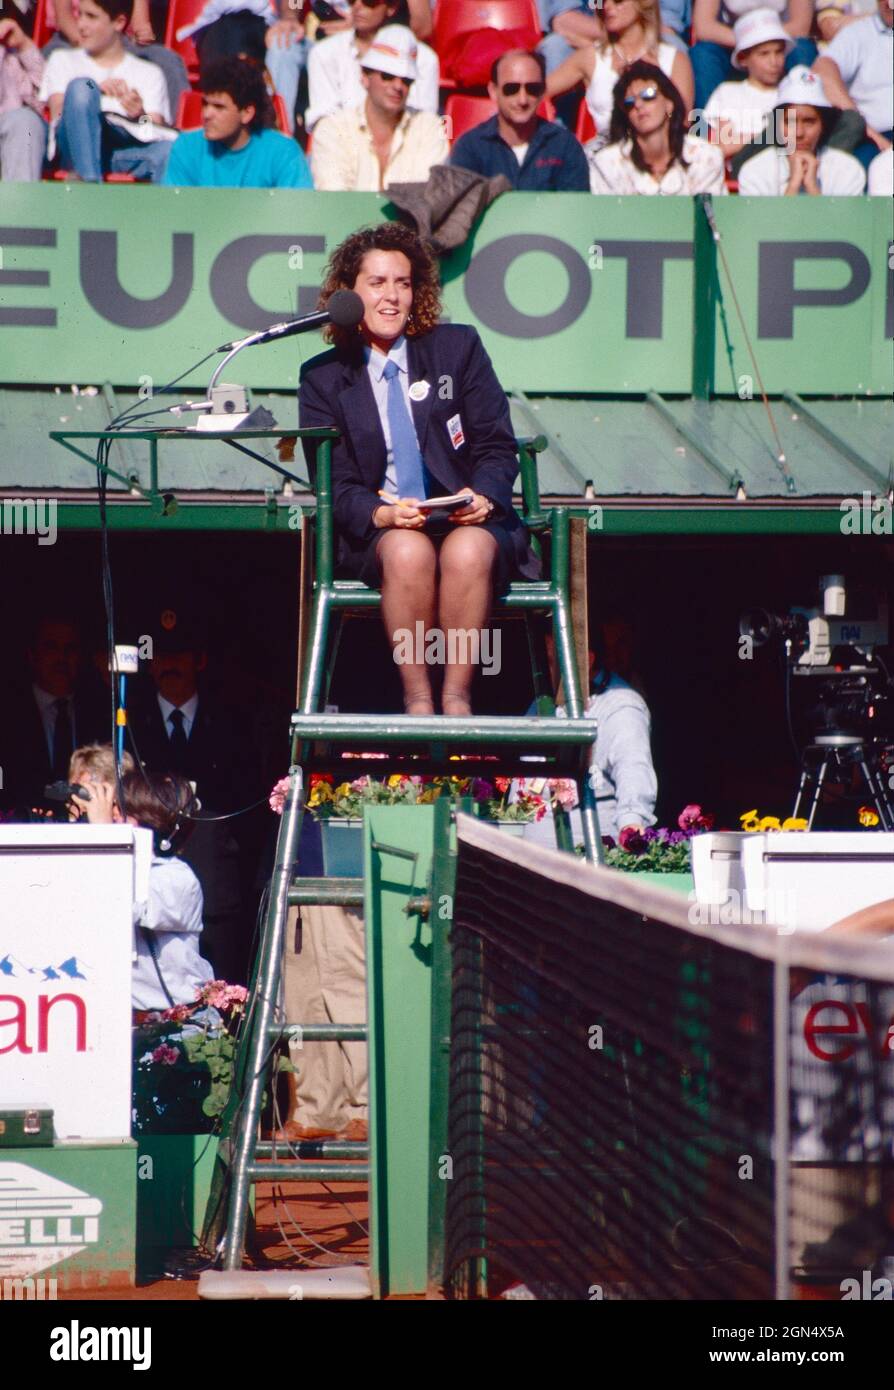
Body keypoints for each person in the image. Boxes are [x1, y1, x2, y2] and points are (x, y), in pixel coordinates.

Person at [299, 222, 541, 717]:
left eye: (403, 284)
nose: (391, 297)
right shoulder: (322, 377)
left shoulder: (458, 349)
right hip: (387, 530)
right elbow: (335, 484)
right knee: (409, 553)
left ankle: (456, 698)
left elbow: (497, 446)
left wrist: (485, 497)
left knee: (468, 549)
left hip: (467, 520)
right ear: (348, 294)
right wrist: (380, 515)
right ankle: (418, 700)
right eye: (377, 283)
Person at [72, 766, 215, 1012]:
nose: (113, 815)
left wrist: (104, 835)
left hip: (176, 1024)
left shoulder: (176, 877)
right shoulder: (111, 863)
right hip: (121, 1020)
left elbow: (122, 904)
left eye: (118, 810)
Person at [519, 629, 658, 848]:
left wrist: (631, 824)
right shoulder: (544, 701)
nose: (543, 670)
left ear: (586, 660)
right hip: (531, 858)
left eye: (550, 661)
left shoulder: (621, 706)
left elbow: (633, 769)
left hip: (586, 859)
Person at [37, 0, 176, 181]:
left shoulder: (149, 72)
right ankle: (90, 188)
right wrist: (94, 91)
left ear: (118, 22)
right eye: (80, 14)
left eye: (91, 17)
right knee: (82, 87)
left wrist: (139, 114)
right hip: (73, 150)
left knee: (169, 151)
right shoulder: (62, 60)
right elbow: (59, 116)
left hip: (119, 152)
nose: (81, 25)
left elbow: (154, 128)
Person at [309, 24, 446, 191]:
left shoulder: (429, 129)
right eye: (387, 76)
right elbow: (334, 201)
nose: (398, 86)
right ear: (364, 77)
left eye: (406, 80)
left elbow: (426, 202)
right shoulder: (333, 128)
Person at [546, 0, 694, 149]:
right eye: (603, 2)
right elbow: (536, 91)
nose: (608, 6)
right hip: (606, 153)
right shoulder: (590, 57)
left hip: (660, 150)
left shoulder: (674, 58)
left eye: (617, 1)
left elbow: (682, 120)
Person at [0, 613, 107, 819]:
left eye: (70, 649)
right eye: (51, 647)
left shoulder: (98, 712)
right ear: (32, 656)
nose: (61, 658)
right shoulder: (8, 715)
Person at [450, 48, 590, 191]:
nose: (522, 99)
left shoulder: (565, 146)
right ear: (493, 91)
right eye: (511, 89)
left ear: (543, 91)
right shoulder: (470, 147)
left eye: (532, 89)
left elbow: (574, 209)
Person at [162, 55, 313, 187]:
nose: (207, 114)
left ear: (247, 113)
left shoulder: (283, 152)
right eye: (205, 104)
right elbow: (174, 214)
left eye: (219, 107)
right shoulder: (186, 147)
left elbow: (297, 214)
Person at [588, 59, 728, 192]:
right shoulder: (607, 164)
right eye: (629, 102)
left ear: (669, 104)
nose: (638, 104)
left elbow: (708, 214)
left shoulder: (705, 157)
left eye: (648, 95)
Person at [304, 0, 437, 131]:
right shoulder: (323, 53)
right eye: (351, 1)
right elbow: (323, 121)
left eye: (369, 1)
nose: (357, 6)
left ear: (391, 7)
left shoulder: (424, 59)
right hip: (343, 145)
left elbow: (424, 125)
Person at [738, 64, 866, 191]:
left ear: (823, 125)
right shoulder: (755, 170)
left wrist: (811, 185)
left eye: (809, 122)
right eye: (790, 122)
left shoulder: (847, 168)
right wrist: (794, 183)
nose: (799, 133)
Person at [690, 0, 816, 110]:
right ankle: (706, 128)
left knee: (802, 49)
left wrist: (763, 40)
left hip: (779, 37)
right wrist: (749, 41)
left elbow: (800, 25)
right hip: (734, 39)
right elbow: (704, 26)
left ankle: (805, 120)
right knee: (703, 54)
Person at [812, 0, 893, 170]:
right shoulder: (860, 33)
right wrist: (868, 129)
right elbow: (822, 70)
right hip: (876, 139)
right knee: (849, 171)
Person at [703, 9, 792, 158]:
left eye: (779, 52)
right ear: (743, 58)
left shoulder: (790, 93)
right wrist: (769, 137)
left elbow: (791, 142)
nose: (774, 62)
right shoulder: (727, 92)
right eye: (764, 54)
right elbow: (722, 146)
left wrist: (741, 140)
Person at [0, 16, 46, 179]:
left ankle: (21, 203)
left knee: (26, 121)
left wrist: (24, 45)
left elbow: (42, 94)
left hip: (9, 125)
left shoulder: (7, 54)